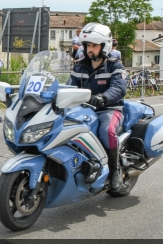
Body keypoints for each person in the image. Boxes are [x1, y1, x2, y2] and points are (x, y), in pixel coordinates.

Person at [70, 22, 127, 192]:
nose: (90, 49)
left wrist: (103, 97)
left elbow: (119, 87)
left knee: (106, 131)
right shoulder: (79, 66)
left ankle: (115, 170)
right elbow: (69, 87)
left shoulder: (114, 65)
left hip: (108, 109)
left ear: (105, 46)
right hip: (83, 110)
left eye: (94, 45)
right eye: (87, 45)